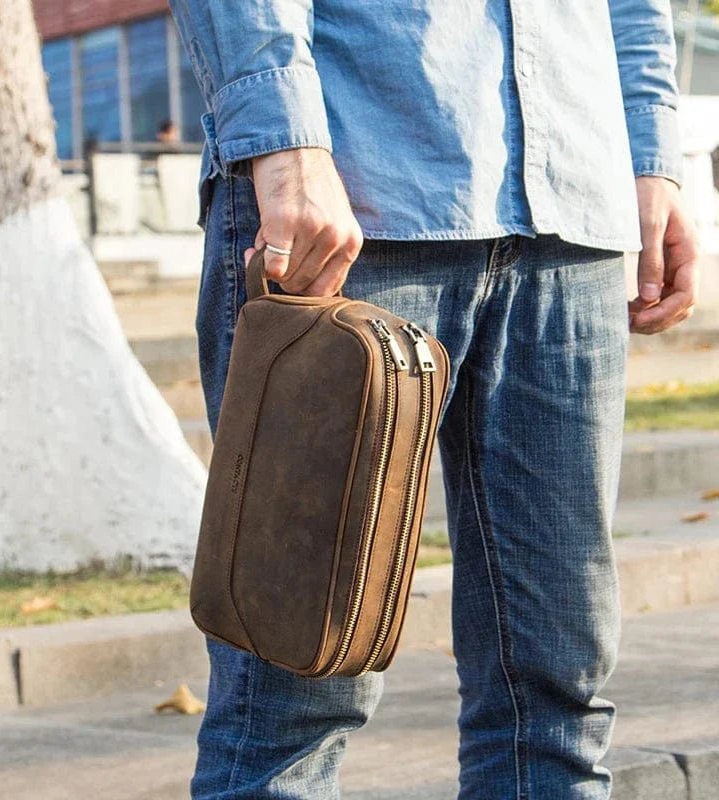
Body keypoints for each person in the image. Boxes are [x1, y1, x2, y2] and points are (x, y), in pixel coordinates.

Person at [170, 0, 700, 797]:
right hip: (351, 195)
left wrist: (650, 149)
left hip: (571, 208)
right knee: (294, 681)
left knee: (557, 693)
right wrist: (281, 138)